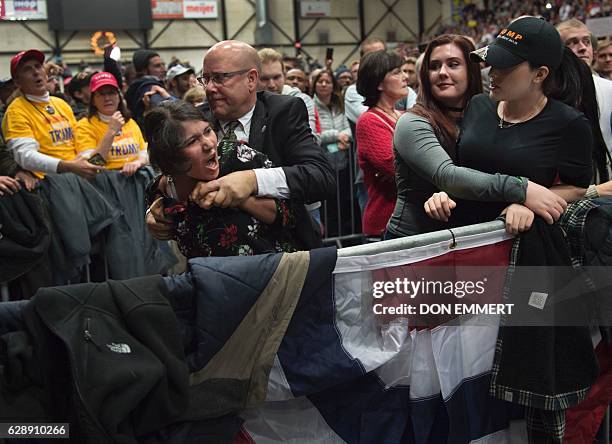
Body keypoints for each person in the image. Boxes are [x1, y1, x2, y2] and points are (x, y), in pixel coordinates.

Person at [146, 40, 334, 250]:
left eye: (219, 78)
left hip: (283, 255)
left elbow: (320, 176)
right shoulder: (199, 117)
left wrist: (252, 180)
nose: (209, 88)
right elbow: (171, 165)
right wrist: (159, 203)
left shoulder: (283, 111)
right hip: (212, 261)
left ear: (251, 79)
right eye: (205, 79)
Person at [387, 34, 565, 238]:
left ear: (471, 71)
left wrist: (521, 204)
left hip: (471, 237)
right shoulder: (412, 122)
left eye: (453, 64)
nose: (442, 72)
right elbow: (447, 176)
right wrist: (522, 189)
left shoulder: (490, 114)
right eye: (434, 66)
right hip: (413, 241)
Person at [144, 100, 296, 257]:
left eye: (208, 131)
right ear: (170, 157)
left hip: (270, 273)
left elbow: (288, 216)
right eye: (192, 141)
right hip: (209, 279)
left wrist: (237, 196)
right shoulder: (160, 193)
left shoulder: (237, 156)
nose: (209, 144)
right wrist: (154, 219)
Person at [2, 49, 102, 180]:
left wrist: (86, 160)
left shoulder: (61, 104)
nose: (36, 72)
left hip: (78, 176)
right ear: (17, 82)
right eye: (27, 69)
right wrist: (68, 166)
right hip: (50, 183)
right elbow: (25, 156)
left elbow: (79, 141)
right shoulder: (16, 111)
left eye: (38, 66)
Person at [355, 50, 408, 238]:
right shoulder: (369, 121)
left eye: (404, 71)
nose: (405, 76)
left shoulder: (405, 115)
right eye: (396, 72)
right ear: (378, 83)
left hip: (409, 220)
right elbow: (393, 167)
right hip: (385, 223)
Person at [75, 72, 148, 176]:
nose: (107, 98)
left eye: (111, 93)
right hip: (104, 183)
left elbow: (143, 151)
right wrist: (111, 132)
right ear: (93, 101)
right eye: (101, 94)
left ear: (119, 97)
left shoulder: (129, 121)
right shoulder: (84, 126)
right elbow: (91, 165)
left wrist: (138, 162)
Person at [556, 19, 612, 154]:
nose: (583, 48)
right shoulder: (546, 92)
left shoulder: (609, 89)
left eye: (587, 42)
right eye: (572, 42)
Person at [311, 69, 355, 236]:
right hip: (323, 165)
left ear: (333, 85)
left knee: (344, 205)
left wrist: (345, 136)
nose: (323, 84)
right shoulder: (310, 105)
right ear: (314, 85)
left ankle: (345, 239)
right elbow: (316, 135)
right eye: (320, 81)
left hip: (343, 163)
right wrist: (337, 135)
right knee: (328, 208)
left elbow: (349, 128)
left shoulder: (340, 104)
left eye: (327, 81)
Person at [125, 49, 167, 124]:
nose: (164, 69)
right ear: (144, 70)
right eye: (157, 66)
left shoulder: (135, 86)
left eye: (163, 64)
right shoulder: (150, 89)